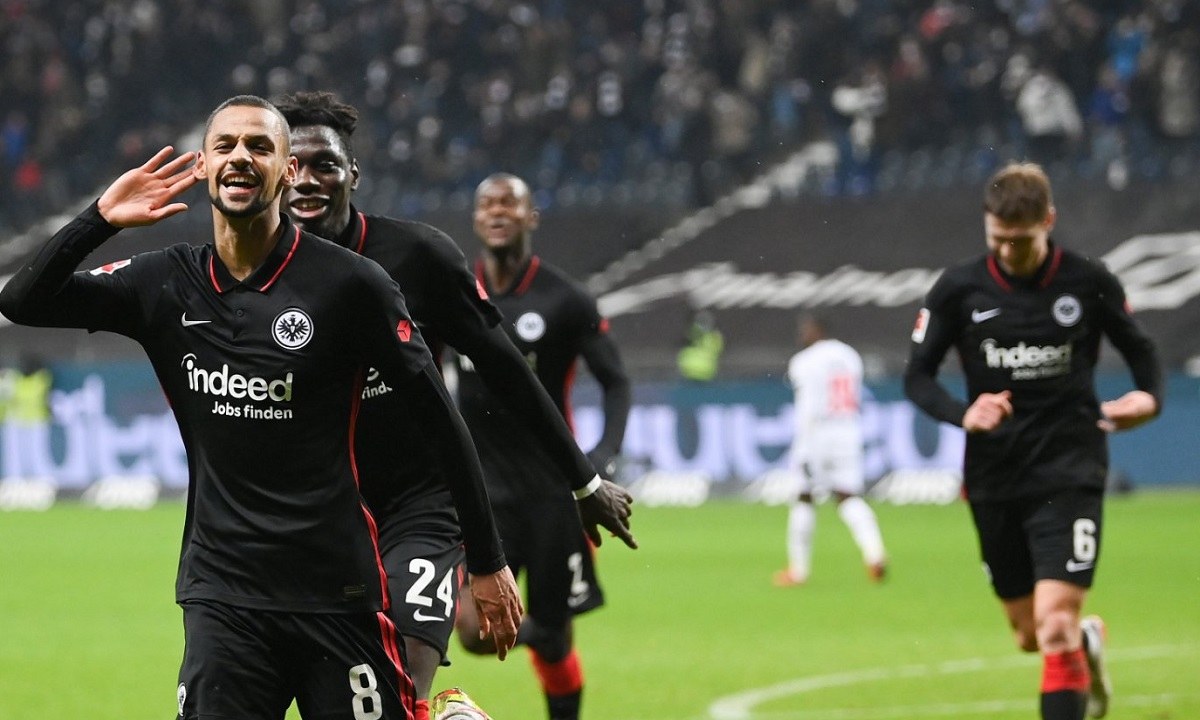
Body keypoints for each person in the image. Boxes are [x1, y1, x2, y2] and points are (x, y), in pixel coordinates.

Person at [0, 95, 522, 720]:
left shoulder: (353, 285)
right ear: (204, 166)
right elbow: (23, 301)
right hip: (224, 599)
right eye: (225, 145)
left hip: (337, 593)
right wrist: (99, 220)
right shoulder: (164, 282)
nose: (240, 157)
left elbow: (443, 424)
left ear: (286, 171)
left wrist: (488, 562)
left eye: (260, 146)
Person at [274, 91, 636, 720]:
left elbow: (510, 371)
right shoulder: (254, 269)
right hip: (322, 512)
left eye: (325, 165)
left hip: (423, 501)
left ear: (353, 173)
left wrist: (584, 478)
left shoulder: (419, 257)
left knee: (413, 679)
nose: (307, 180)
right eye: (293, 166)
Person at [903, 162, 1162, 720]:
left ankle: (1071, 641)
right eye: (998, 239)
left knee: (1055, 622)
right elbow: (917, 377)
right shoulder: (957, 290)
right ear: (986, 225)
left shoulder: (1088, 282)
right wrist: (964, 413)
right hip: (995, 475)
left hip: (1070, 467)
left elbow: (1142, 351)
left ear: (1049, 220)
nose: (1009, 252)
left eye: (1020, 241)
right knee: (1028, 633)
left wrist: (1149, 399)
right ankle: (1086, 644)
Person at [453, 173, 632, 720]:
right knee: (473, 630)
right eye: (487, 204)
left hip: (554, 495)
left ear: (531, 217)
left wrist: (600, 458)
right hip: (483, 491)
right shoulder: (453, 291)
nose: (497, 211)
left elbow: (616, 382)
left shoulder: (566, 299)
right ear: (476, 219)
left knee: (556, 650)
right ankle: (546, 633)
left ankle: (553, 652)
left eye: (509, 203)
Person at [774, 313, 887, 587]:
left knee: (803, 496)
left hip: (817, 434)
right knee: (848, 496)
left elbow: (808, 404)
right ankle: (875, 553)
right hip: (848, 431)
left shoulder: (804, 360)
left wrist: (803, 444)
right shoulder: (850, 355)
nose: (801, 335)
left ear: (818, 330)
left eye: (805, 329)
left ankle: (798, 571)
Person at [676, 309, 724, 382]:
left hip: (688, 369)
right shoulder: (715, 337)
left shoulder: (691, 332)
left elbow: (682, 341)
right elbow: (719, 350)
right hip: (707, 371)